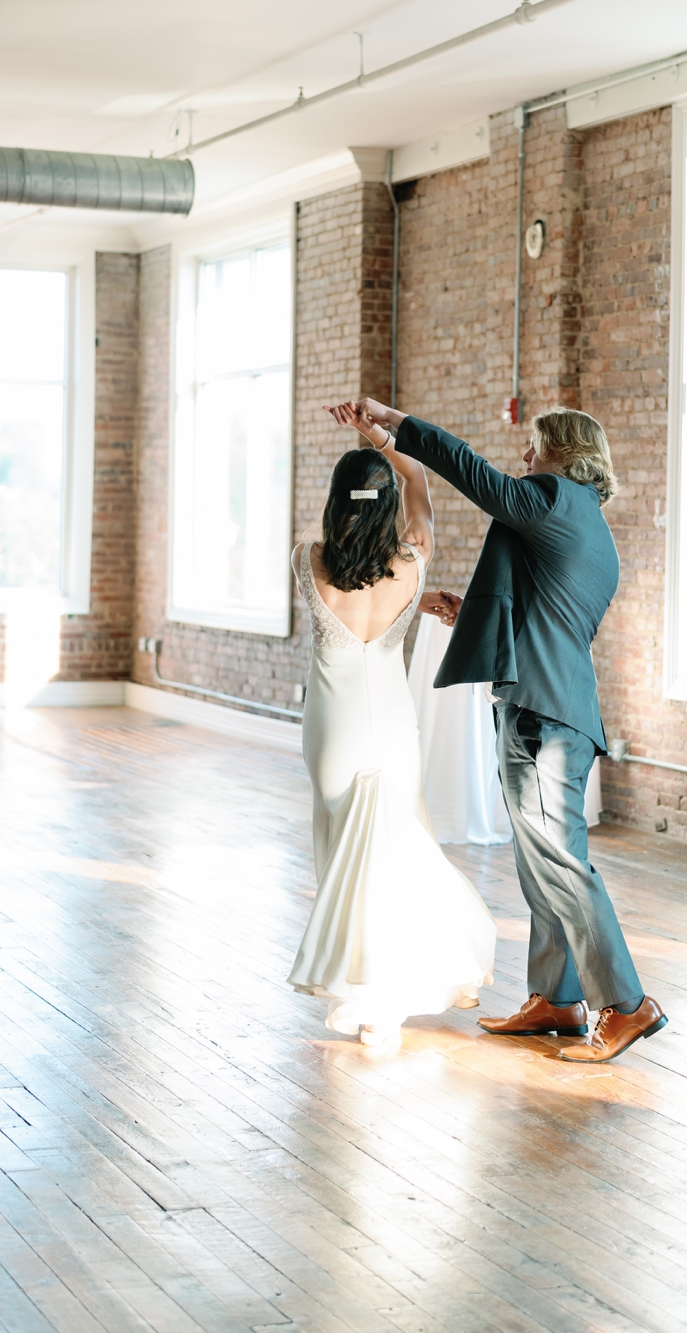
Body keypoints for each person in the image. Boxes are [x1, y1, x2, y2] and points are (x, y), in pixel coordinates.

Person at [341, 397, 666, 1065]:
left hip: (548, 715)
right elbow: (547, 616)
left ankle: (627, 1003)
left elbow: (471, 471)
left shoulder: (551, 499)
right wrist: (474, 615)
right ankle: (557, 997)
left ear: (563, 456)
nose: (526, 460)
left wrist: (397, 423)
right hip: (545, 705)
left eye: (537, 446)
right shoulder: (589, 526)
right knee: (538, 860)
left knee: (562, 861)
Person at [286, 406, 495, 1048]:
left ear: (333, 501)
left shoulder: (307, 559)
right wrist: (380, 438)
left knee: (342, 852)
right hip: (394, 729)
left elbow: (350, 562)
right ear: (386, 509)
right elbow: (420, 484)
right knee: (398, 850)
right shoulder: (415, 562)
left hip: (332, 731)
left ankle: (360, 988)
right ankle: (389, 991)